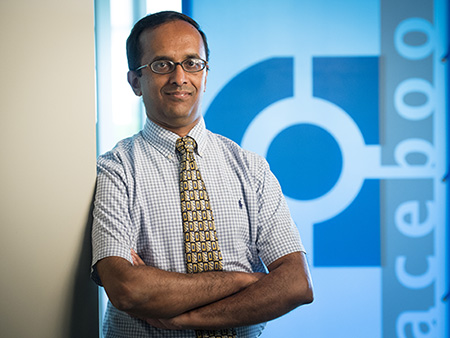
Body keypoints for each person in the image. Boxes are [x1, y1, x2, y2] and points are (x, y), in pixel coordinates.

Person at [91, 10, 313, 338]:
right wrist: (243, 280)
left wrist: (183, 318)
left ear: (205, 75)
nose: (179, 77)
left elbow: (296, 284)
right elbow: (127, 289)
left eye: (192, 63)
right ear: (136, 82)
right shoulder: (115, 169)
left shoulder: (251, 169)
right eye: (162, 64)